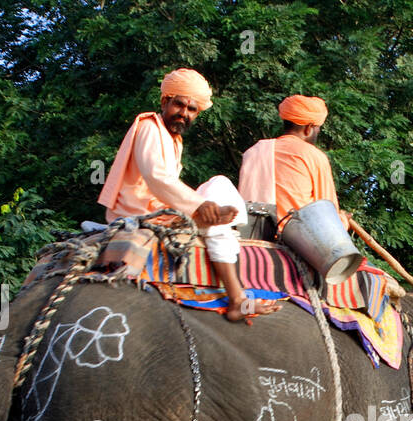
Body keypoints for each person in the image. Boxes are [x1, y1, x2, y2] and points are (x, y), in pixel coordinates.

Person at [98, 68, 278, 322]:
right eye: (179, 105)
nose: (184, 113)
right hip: (143, 212)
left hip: (163, 207)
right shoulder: (150, 126)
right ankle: (238, 299)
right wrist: (200, 204)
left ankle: (218, 224)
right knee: (217, 198)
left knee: (220, 186)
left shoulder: (173, 139)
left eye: (192, 109)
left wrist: (202, 205)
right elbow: (156, 177)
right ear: (165, 101)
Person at [238, 94, 349, 229]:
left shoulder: (253, 151)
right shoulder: (313, 156)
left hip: (249, 236)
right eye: (317, 130)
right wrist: (343, 220)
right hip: (294, 241)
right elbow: (328, 217)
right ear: (308, 128)